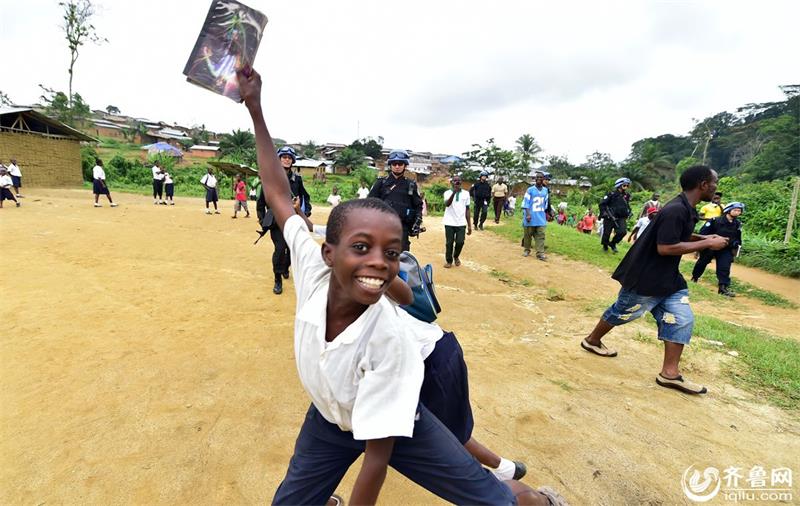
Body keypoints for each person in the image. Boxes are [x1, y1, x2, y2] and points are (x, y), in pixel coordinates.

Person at [237, 67, 560, 506]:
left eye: (391, 253)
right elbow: (277, 195)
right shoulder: (313, 270)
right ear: (328, 253)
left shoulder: (388, 339)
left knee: (492, 501)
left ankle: (535, 499)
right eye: (361, 246)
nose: (378, 260)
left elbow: (377, 459)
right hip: (332, 418)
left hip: (401, 410)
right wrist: (256, 108)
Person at [579, 165, 730, 395]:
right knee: (622, 311)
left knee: (681, 319)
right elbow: (666, 246)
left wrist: (704, 236)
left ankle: (669, 374)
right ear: (703, 185)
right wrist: (707, 243)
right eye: (714, 183)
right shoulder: (675, 210)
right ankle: (592, 340)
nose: (716, 188)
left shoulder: (687, 208)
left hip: (668, 280)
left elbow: (677, 234)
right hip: (645, 277)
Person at [256, 145, 313, 295]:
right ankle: (277, 279)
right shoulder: (270, 180)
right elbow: (260, 202)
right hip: (276, 223)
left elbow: (305, 197)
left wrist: (305, 212)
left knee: (292, 249)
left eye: (289, 158)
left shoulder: (297, 180)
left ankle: (285, 266)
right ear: (279, 159)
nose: (287, 160)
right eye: (284, 157)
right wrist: (263, 221)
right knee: (280, 249)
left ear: (292, 161)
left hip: (293, 221)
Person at [367, 150, 423, 252]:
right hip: (382, 227)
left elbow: (418, 205)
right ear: (390, 165)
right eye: (394, 164)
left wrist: (418, 221)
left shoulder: (411, 185)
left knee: (401, 258)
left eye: (400, 164)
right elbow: (370, 204)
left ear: (405, 165)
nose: (397, 166)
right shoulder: (381, 183)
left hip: (402, 228)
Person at [691, 202, 744, 297]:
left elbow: (738, 237)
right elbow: (703, 233)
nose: (737, 212)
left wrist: (736, 246)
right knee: (702, 262)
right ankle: (695, 277)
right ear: (728, 210)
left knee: (724, 267)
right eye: (735, 210)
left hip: (726, 249)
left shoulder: (738, 224)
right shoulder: (715, 220)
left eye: (739, 211)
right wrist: (702, 245)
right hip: (710, 247)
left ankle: (723, 288)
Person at [442, 175, 472, 268]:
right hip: (449, 222)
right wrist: (454, 192)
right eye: (455, 181)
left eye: (458, 181)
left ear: (461, 182)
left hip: (461, 222)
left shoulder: (466, 194)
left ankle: (456, 256)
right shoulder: (447, 193)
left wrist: (469, 225)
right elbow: (447, 204)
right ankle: (449, 261)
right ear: (452, 182)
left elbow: (467, 209)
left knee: (460, 242)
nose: (457, 182)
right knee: (449, 242)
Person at [599, 177, 632, 253]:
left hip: (621, 217)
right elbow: (602, 204)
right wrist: (604, 213)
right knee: (606, 233)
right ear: (619, 185)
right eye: (624, 185)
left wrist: (629, 212)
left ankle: (613, 243)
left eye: (627, 186)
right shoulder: (611, 194)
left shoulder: (627, 196)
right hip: (610, 217)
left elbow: (627, 205)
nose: (626, 187)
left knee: (622, 232)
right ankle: (605, 246)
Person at [521, 173, 549, 260]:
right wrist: (528, 214)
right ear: (535, 179)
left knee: (541, 235)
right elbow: (526, 202)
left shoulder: (545, 190)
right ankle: (527, 249)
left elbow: (546, 204)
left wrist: (548, 213)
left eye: (541, 177)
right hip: (531, 216)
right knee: (528, 234)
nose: (539, 179)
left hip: (541, 217)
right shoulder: (530, 190)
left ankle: (540, 253)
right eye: (537, 177)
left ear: (543, 179)